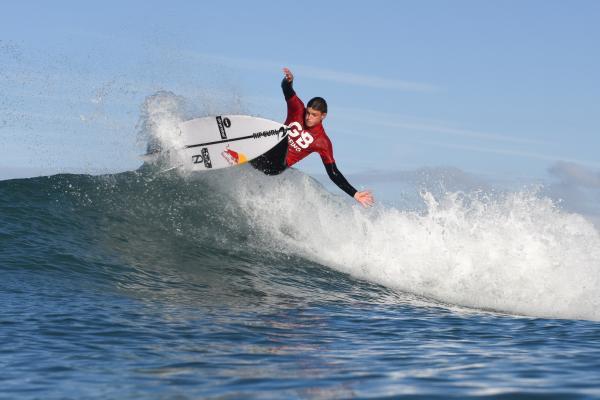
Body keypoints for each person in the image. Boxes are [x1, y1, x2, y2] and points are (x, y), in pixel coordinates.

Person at [251, 68, 374, 207]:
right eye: (308, 113)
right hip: (262, 156)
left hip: (275, 166)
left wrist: (355, 194)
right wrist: (288, 81)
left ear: (323, 116)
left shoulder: (322, 141)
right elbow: (286, 89)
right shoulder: (297, 109)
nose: (308, 117)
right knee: (275, 132)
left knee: (283, 136)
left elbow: (333, 172)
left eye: (314, 115)